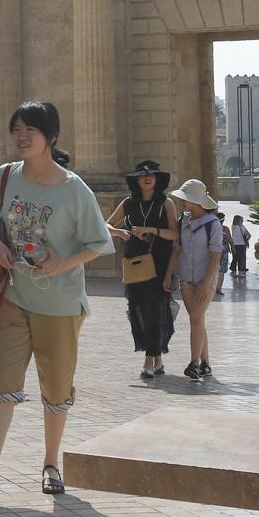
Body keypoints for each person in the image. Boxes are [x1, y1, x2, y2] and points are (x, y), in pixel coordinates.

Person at [0, 101, 113, 501]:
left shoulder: (75, 189)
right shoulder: (6, 176)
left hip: (60, 306)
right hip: (15, 298)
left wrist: (62, 264)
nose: (22, 137)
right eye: (17, 129)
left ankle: (51, 463)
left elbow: (100, 243)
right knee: (3, 384)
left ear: (51, 137)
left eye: (31, 130)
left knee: (56, 390)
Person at [105, 160, 177, 379]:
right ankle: (158, 359)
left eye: (152, 175)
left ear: (157, 179)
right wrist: (120, 233)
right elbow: (105, 226)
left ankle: (148, 360)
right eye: (143, 175)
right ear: (137, 180)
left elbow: (175, 234)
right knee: (139, 311)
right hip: (135, 264)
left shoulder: (166, 203)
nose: (147, 178)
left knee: (156, 310)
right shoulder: (128, 203)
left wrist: (152, 230)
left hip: (159, 265)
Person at [166, 180, 222, 381]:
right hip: (186, 279)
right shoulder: (183, 221)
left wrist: (205, 284)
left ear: (198, 202)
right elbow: (177, 250)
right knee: (197, 320)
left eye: (186, 200)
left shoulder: (213, 224)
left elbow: (216, 257)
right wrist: (168, 275)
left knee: (195, 319)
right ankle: (206, 364)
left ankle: (194, 363)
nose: (182, 203)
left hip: (204, 280)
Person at [215, 212, 229, 296]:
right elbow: (230, 240)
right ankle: (219, 289)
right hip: (223, 253)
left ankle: (212, 288)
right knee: (221, 272)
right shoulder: (225, 229)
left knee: (213, 270)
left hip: (213, 252)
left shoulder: (211, 229)